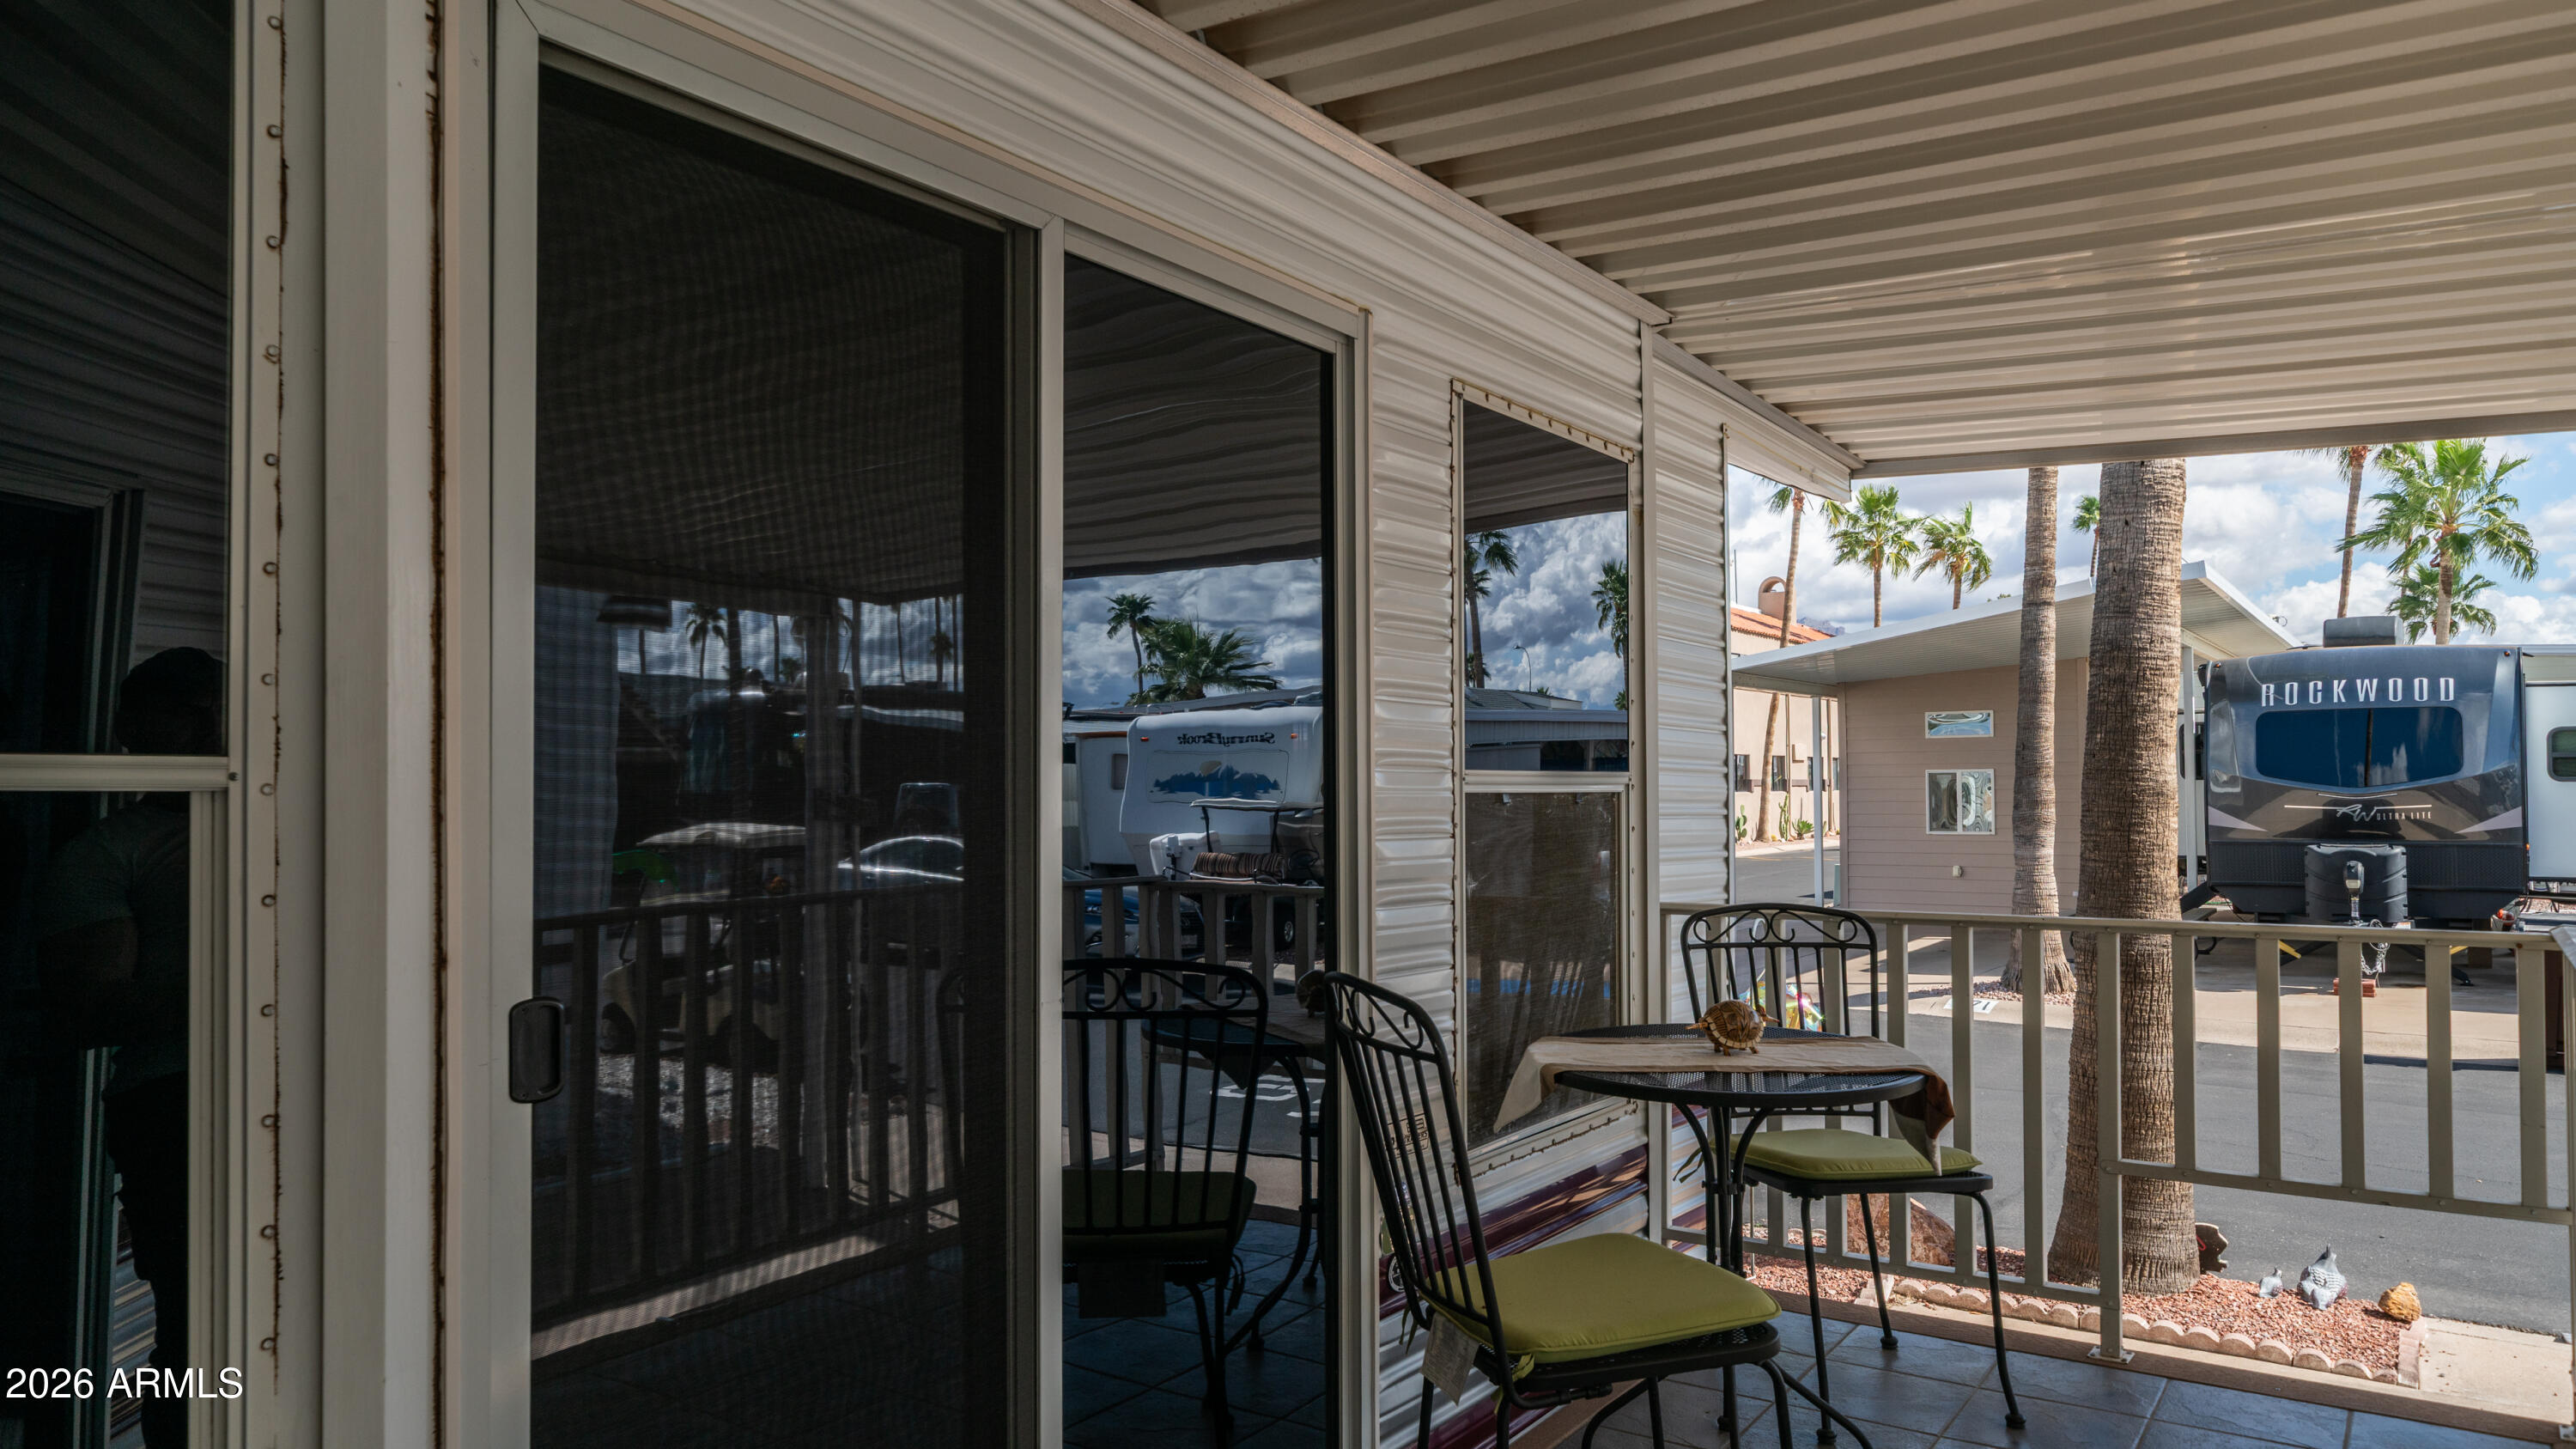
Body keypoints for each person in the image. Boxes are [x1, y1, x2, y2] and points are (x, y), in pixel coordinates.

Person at [39, 647, 222, 1448]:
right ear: (138, 734)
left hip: (223, 1095)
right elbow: (91, 1008)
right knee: (200, 1329)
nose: (216, 727)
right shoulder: (110, 851)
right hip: (177, 1104)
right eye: (193, 712)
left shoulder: (287, 821)